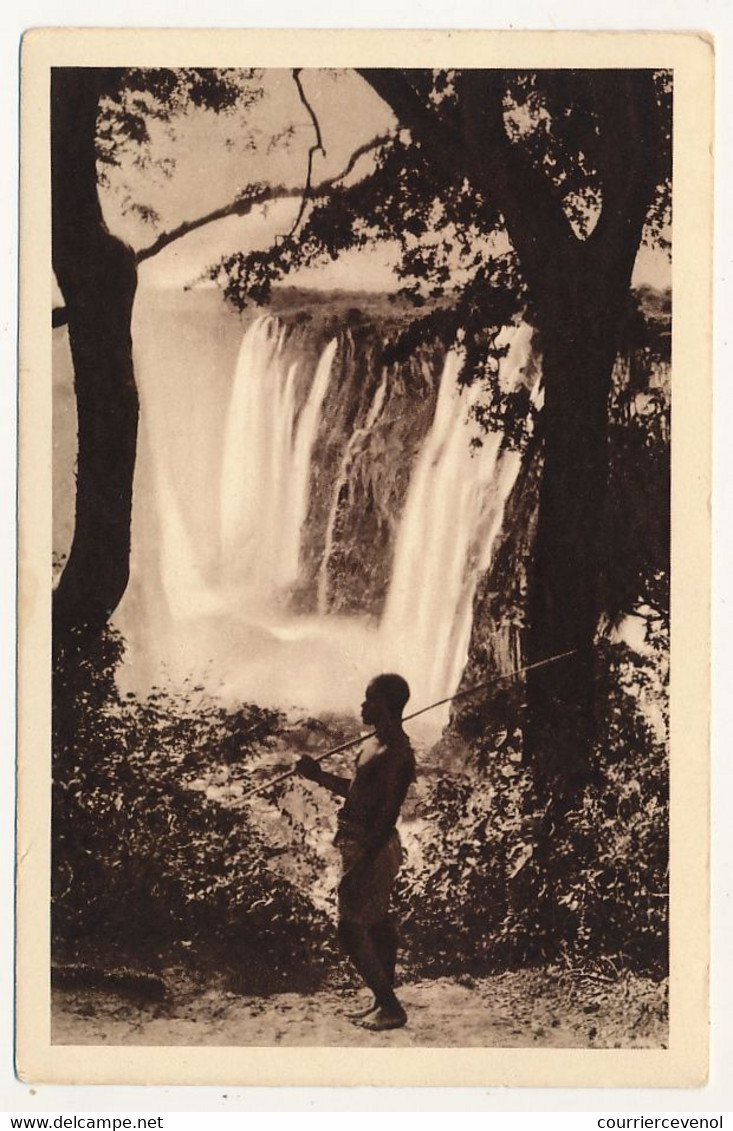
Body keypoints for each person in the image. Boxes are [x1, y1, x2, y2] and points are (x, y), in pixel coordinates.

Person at [297, 673, 416, 1031]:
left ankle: (391, 1005)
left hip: (373, 846)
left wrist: (364, 862)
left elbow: (388, 813)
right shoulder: (375, 742)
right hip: (359, 842)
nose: (363, 706)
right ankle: (382, 1000)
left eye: (370, 701)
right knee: (377, 921)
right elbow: (358, 794)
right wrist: (317, 776)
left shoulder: (397, 753)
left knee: (348, 929)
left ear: (388, 706)